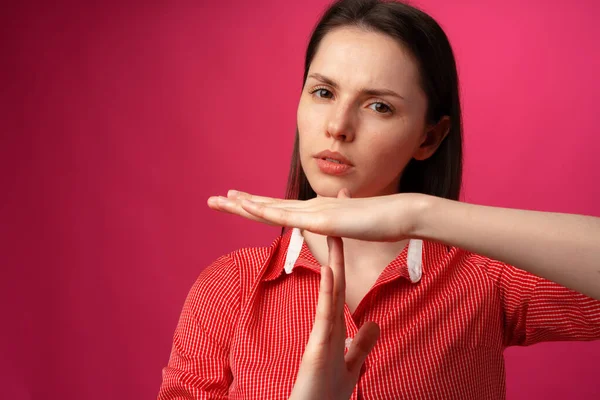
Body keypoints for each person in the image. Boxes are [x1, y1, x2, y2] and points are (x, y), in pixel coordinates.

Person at [158, 0, 600, 398]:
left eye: (379, 106)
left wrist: (417, 212)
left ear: (429, 138)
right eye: (324, 92)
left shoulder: (484, 276)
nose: (338, 126)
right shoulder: (230, 288)